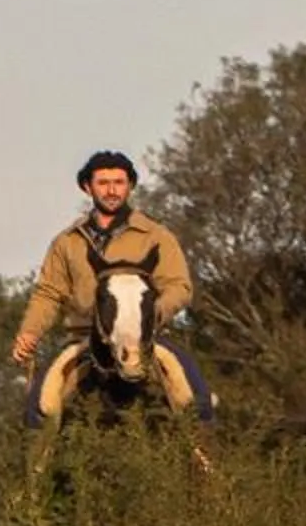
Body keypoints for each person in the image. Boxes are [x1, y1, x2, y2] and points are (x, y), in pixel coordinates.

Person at [11, 150, 210, 419]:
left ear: (130, 186)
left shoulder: (156, 236)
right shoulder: (67, 242)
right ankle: (36, 460)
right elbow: (48, 292)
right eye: (103, 183)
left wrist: (148, 316)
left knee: (196, 396)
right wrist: (30, 333)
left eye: (119, 182)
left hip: (147, 337)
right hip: (83, 338)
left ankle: (205, 457)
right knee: (38, 406)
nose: (112, 190)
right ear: (87, 187)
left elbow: (179, 286)